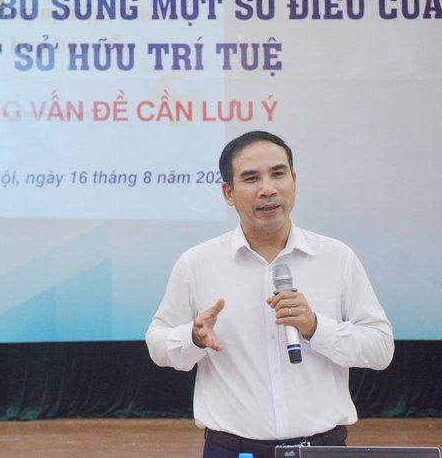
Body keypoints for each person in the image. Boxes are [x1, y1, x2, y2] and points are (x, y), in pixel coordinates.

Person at [146, 131, 394, 458]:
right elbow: (157, 344)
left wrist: (316, 327)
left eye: (278, 174)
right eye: (251, 178)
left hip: (323, 449)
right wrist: (192, 337)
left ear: (294, 181)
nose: (267, 189)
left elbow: (380, 348)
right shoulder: (197, 263)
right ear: (228, 193)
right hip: (233, 450)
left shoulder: (336, 257)